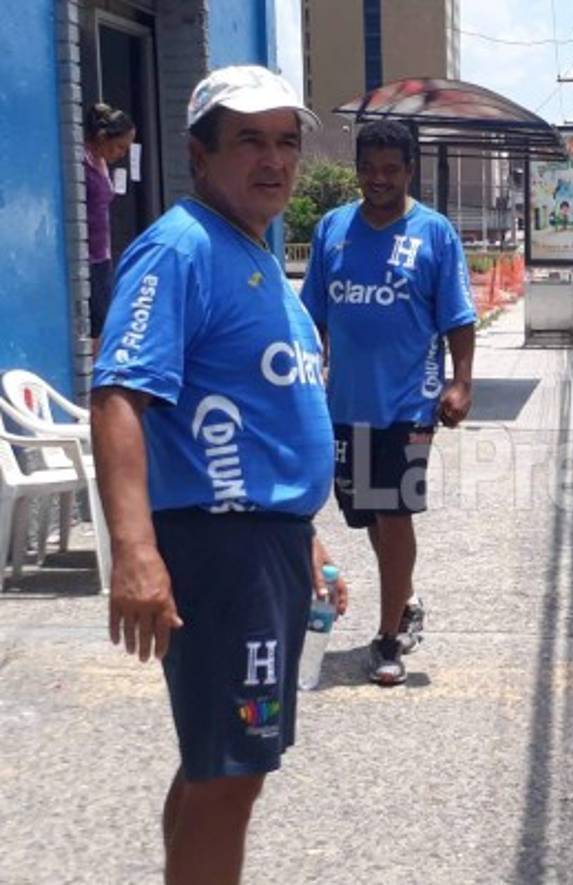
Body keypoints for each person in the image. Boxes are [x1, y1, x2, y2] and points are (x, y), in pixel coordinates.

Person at [90, 65, 345, 885]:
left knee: (217, 765)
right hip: (220, 555)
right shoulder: (180, 247)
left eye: (284, 144)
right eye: (248, 142)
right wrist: (134, 551)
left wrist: (300, 536)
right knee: (231, 773)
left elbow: (268, 412)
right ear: (200, 156)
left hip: (262, 545)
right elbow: (120, 396)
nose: (272, 161)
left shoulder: (256, 255)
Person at [300, 119, 476, 686]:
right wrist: (303, 384)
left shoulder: (435, 234)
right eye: (369, 169)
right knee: (369, 515)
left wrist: (460, 383)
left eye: (390, 170)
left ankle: (389, 635)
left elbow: (458, 317)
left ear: (408, 171)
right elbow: (314, 320)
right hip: (344, 403)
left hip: (407, 403)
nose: (378, 180)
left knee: (393, 514)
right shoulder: (332, 230)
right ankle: (407, 598)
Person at [83, 102, 136, 354]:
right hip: (88, 258)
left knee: (105, 324)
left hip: (101, 256)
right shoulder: (82, 164)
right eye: (119, 147)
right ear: (103, 137)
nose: (122, 154)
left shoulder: (101, 163)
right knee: (97, 327)